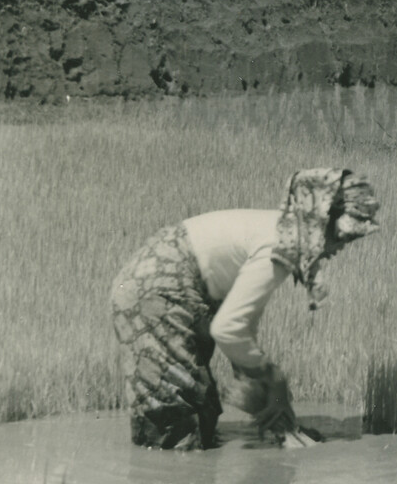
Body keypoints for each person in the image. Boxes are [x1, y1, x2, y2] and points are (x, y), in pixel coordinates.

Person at [110, 168, 380, 451]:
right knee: (174, 417)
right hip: (154, 291)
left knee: (202, 410)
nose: (340, 248)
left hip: (169, 288)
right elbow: (227, 328)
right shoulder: (277, 246)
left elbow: (242, 321)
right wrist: (270, 377)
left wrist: (255, 380)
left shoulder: (281, 235)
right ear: (319, 224)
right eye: (341, 237)